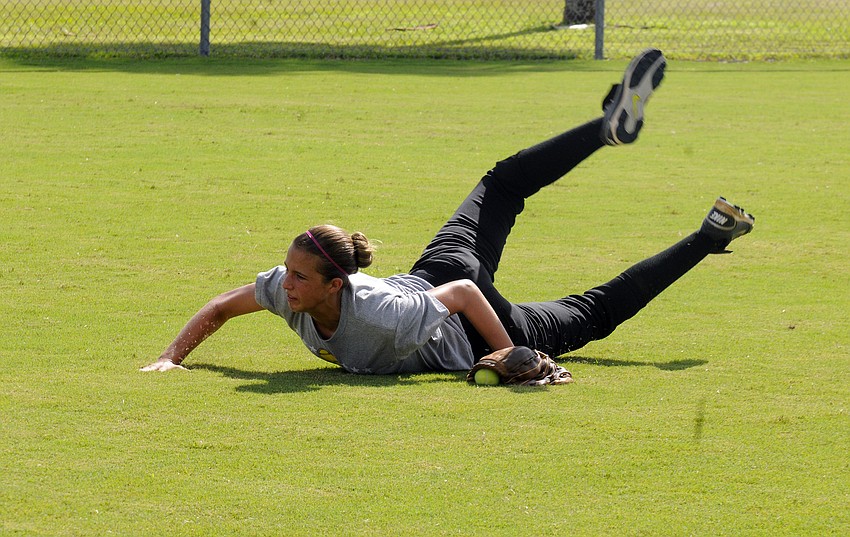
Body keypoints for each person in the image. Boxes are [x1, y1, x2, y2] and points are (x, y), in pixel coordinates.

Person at [141, 48, 755, 376]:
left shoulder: (379, 316)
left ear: (336, 283)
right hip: (435, 271)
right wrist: (172, 357)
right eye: (288, 273)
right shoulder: (289, 290)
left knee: (592, 311)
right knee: (505, 188)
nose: (286, 283)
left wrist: (507, 355)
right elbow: (220, 308)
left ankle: (644, 168)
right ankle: (673, 194)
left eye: (299, 276)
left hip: (468, 319)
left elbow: (463, 294)